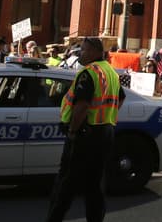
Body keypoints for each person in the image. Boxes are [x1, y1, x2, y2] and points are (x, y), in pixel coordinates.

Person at [46, 36, 123, 222]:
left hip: (85, 134)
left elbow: (82, 106)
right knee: (95, 184)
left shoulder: (89, 73)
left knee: (66, 183)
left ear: (96, 52)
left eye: (85, 49)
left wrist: (73, 130)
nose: (81, 53)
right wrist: (106, 116)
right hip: (105, 132)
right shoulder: (110, 72)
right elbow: (121, 98)